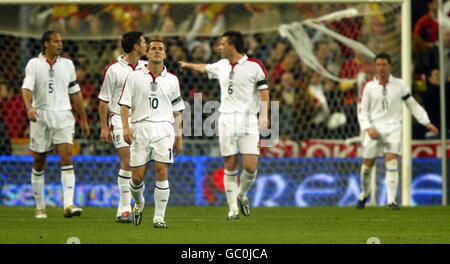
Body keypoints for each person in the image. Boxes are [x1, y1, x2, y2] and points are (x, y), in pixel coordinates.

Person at [179, 31, 269, 220]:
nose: (218, 47)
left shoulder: (255, 66)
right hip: (226, 119)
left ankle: (241, 194)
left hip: (248, 120)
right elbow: (205, 68)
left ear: (232, 45)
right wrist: (188, 65)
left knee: (251, 167)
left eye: (222, 44)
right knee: (229, 164)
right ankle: (233, 209)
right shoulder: (221, 65)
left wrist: (265, 116)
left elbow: (264, 93)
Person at [356, 53, 439, 210]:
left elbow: (412, 104)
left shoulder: (400, 85)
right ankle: (364, 193)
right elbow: (362, 112)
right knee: (367, 165)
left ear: (389, 66)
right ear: (375, 66)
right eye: (378, 65)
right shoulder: (369, 87)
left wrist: (426, 122)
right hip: (374, 128)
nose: (381, 68)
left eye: (384, 65)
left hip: (394, 127)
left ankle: (391, 201)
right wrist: (368, 128)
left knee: (392, 160)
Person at [21, 30, 90, 219]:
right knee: (39, 161)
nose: (60, 44)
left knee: (66, 156)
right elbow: (26, 89)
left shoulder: (67, 64)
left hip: (63, 115)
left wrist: (83, 118)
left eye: (61, 41)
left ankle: (68, 205)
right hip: (40, 115)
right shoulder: (34, 64)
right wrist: (29, 108)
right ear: (46, 44)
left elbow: (75, 92)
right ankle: (40, 207)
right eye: (55, 41)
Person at [119, 39, 184, 228]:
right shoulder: (134, 77)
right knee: (137, 177)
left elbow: (177, 111)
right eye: (153, 48)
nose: (157, 51)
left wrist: (179, 137)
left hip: (164, 129)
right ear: (146, 53)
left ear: (165, 54)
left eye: (160, 49)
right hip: (140, 128)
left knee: (161, 171)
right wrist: (125, 127)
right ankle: (139, 203)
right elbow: (124, 105)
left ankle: (159, 217)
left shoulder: (172, 80)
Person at [98, 31, 147, 223]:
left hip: (142, 120)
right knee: (127, 162)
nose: (146, 45)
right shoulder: (114, 69)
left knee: (138, 166)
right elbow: (104, 100)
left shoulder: (146, 67)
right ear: (136, 46)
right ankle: (124, 208)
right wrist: (103, 127)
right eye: (144, 42)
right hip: (118, 118)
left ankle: (135, 203)